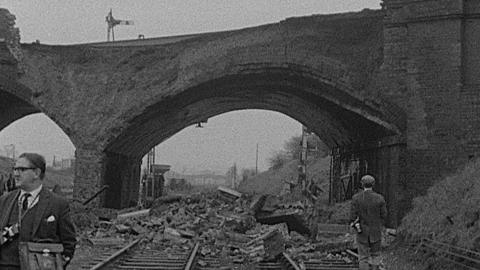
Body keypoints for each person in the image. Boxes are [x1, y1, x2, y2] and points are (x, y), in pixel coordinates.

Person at [0, 153, 76, 269]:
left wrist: (56, 265)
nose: (15, 174)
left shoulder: (58, 204)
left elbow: (68, 243)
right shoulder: (4, 201)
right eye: (15, 169)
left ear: (36, 173)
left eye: (22, 170)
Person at [350, 174, 387, 270]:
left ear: (362, 184)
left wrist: (356, 225)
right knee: (376, 255)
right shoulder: (380, 198)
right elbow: (384, 215)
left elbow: (352, 216)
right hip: (376, 232)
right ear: (373, 184)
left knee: (363, 257)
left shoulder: (356, 198)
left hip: (362, 231)